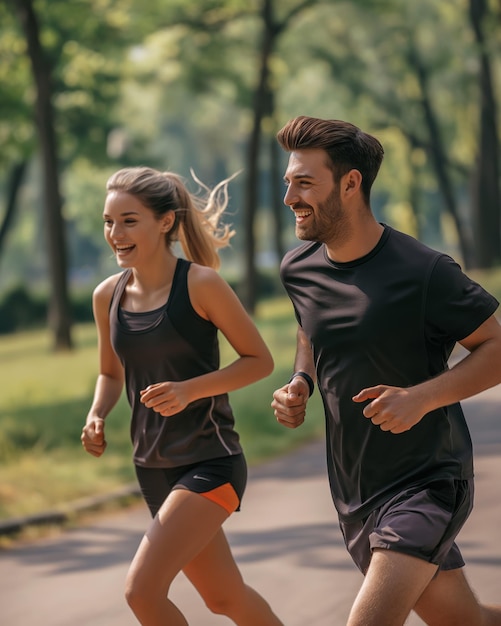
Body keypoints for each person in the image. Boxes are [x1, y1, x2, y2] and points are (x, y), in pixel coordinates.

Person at [271, 115, 501, 626]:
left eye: (305, 183)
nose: (290, 198)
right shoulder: (299, 267)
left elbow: (496, 346)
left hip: (428, 483)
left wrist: (421, 397)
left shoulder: (424, 272)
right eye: (288, 182)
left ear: (351, 183)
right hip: (354, 489)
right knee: (469, 621)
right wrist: (301, 382)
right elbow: (310, 329)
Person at [81, 166, 283, 626]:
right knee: (225, 598)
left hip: (209, 460)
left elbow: (259, 360)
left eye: (130, 220)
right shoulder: (106, 296)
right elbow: (110, 373)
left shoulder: (201, 284)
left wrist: (189, 390)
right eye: (109, 222)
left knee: (141, 592)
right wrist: (97, 415)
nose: (116, 233)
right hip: (151, 464)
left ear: (165, 221)